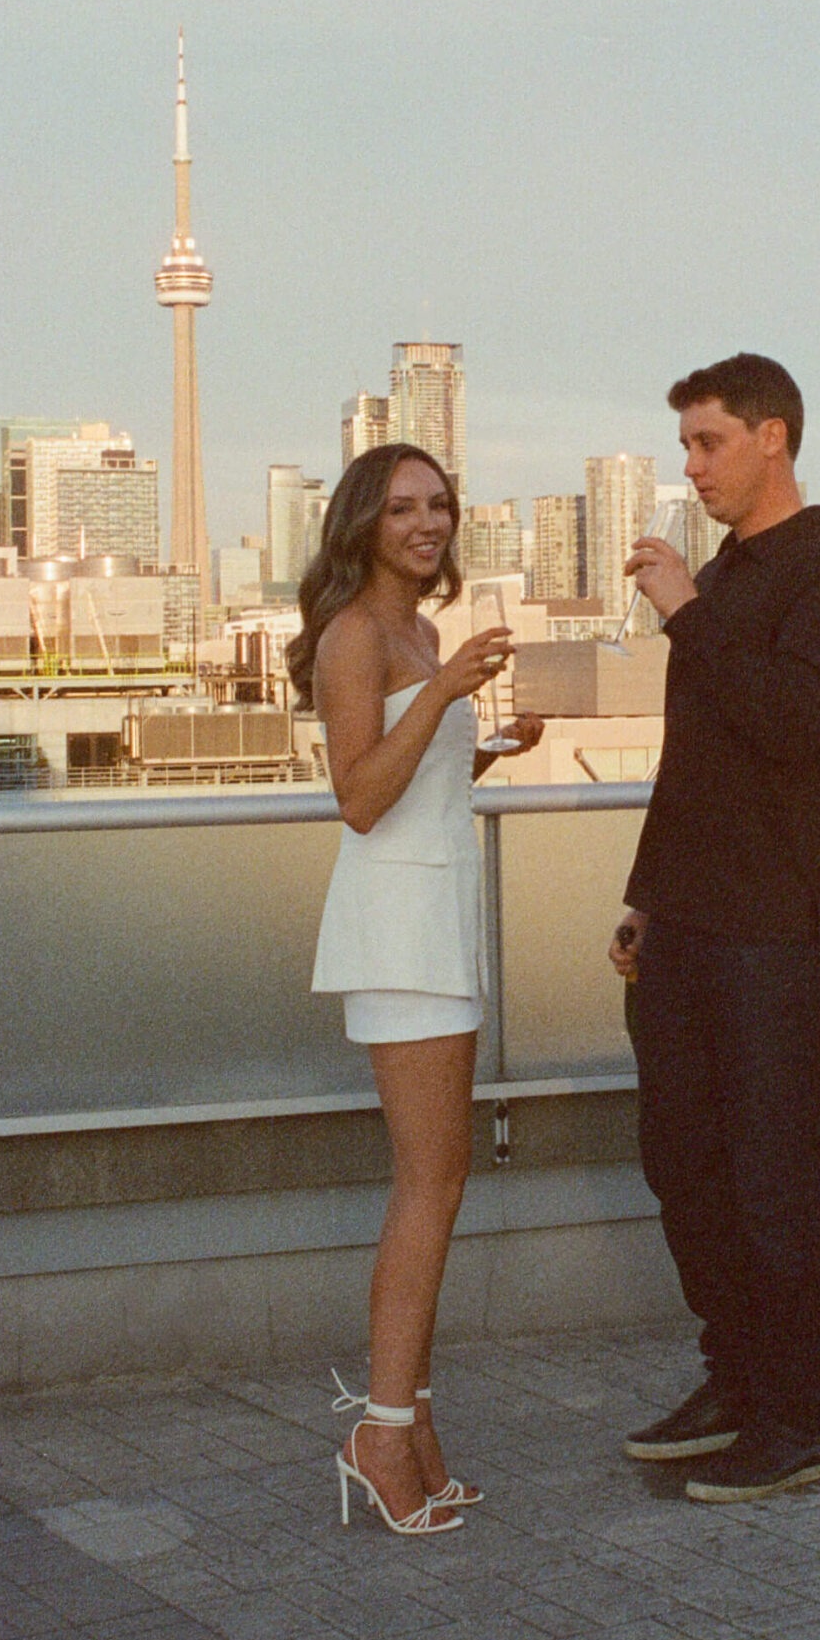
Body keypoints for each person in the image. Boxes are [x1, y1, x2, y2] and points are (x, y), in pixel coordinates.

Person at [607, 354, 820, 1502]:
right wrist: (643, 894)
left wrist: (684, 611)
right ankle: (734, 1378)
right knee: (683, 1161)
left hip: (781, 925)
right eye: (684, 444)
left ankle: (793, 1418)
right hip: (688, 918)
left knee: (773, 1178)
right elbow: (700, 765)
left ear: (772, 437)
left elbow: (793, 725)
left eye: (707, 441)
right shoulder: (724, 580)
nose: (692, 465)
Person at [292, 443, 542, 1535]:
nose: (426, 522)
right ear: (362, 522)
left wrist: (483, 747)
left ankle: (413, 1423)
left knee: (437, 1183)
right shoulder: (355, 636)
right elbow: (355, 797)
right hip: (398, 933)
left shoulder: (420, 632)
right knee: (428, 1184)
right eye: (401, 506)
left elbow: (413, 782)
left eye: (439, 503)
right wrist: (442, 692)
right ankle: (381, 1434)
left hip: (435, 922)